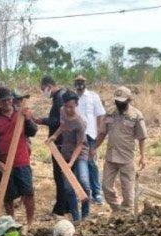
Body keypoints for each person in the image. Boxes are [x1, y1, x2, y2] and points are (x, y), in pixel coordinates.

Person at [0, 87, 37, 225]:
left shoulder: (21, 114)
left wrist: (28, 119)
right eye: (3, 100)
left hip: (22, 161)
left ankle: (30, 223)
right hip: (5, 164)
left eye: (9, 99)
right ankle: (11, 222)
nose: (7, 102)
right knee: (7, 196)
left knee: (28, 193)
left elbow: (33, 132)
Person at [94, 86, 147, 213]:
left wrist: (143, 156)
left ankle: (127, 214)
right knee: (106, 187)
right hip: (111, 156)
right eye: (117, 101)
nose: (119, 103)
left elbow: (142, 137)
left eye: (122, 101)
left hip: (127, 157)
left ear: (129, 100)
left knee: (128, 190)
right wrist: (93, 148)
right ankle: (117, 209)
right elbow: (102, 133)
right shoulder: (110, 113)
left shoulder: (136, 115)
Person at [48, 91, 91, 221]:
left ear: (76, 105)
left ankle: (85, 214)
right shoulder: (62, 111)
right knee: (68, 187)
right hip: (65, 152)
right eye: (66, 106)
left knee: (83, 182)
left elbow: (79, 145)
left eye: (71, 107)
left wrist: (71, 162)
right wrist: (54, 136)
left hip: (80, 154)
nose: (68, 109)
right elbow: (63, 126)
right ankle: (76, 217)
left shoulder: (80, 122)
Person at [34, 76, 67, 218]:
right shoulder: (61, 96)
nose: (43, 92)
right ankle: (65, 206)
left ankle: (60, 209)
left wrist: (40, 120)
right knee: (62, 175)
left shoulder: (59, 98)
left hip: (59, 142)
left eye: (43, 89)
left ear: (49, 86)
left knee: (59, 176)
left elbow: (58, 121)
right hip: (61, 141)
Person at [74, 75, 106, 204]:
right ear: (74, 84)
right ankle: (81, 192)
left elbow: (99, 115)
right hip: (76, 136)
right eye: (77, 82)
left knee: (92, 163)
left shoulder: (93, 97)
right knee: (78, 164)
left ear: (85, 83)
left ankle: (96, 193)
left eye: (82, 82)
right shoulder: (72, 97)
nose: (80, 84)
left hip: (91, 135)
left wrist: (98, 133)